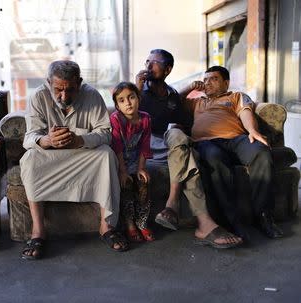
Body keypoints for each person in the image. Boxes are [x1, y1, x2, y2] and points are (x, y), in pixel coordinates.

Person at [20, 60, 129, 260]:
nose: (64, 96)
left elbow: (105, 133)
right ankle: (38, 231)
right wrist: (46, 140)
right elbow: (29, 137)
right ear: (48, 83)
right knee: (29, 159)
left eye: (70, 90)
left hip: (82, 154)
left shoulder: (92, 95)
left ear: (78, 83)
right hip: (51, 155)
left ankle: (106, 226)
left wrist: (80, 140)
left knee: (106, 155)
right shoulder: (38, 96)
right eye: (58, 90)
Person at [135, 49, 242, 248]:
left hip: (171, 146)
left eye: (154, 62)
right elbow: (124, 121)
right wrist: (137, 91)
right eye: (146, 61)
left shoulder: (173, 96)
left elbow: (184, 121)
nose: (148, 66)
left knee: (179, 138)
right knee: (188, 157)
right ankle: (198, 220)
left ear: (167, 69)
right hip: (146, 148)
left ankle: (181, 211)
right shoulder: (137, 91)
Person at [183, 65, 283, 240]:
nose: (208, 83)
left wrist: (252, 130)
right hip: (206, 142)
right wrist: (191, 86)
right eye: (205, 79)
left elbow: (245, 112)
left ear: (226, 83)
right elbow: (173, 100)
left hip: (235, 139)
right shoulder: (197, 102)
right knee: (214, 159)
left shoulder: (236, 96)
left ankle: (264, 216)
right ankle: (233, 221)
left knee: (261, 152)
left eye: (213, 79)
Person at [110, 82, 154, 242]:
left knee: (143, 182)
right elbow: (117, 146)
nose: (128, 103)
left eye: (131, 97)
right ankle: (129, 224)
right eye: (121, 100)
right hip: (119, 160)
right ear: (117, 105)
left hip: (135, 159)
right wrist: (122, 171)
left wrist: (141, 168)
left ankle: (142, 223)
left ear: (138, 98)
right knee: (126, 185)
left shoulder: (145, 118)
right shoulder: (116, 119)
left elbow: (145, 145)